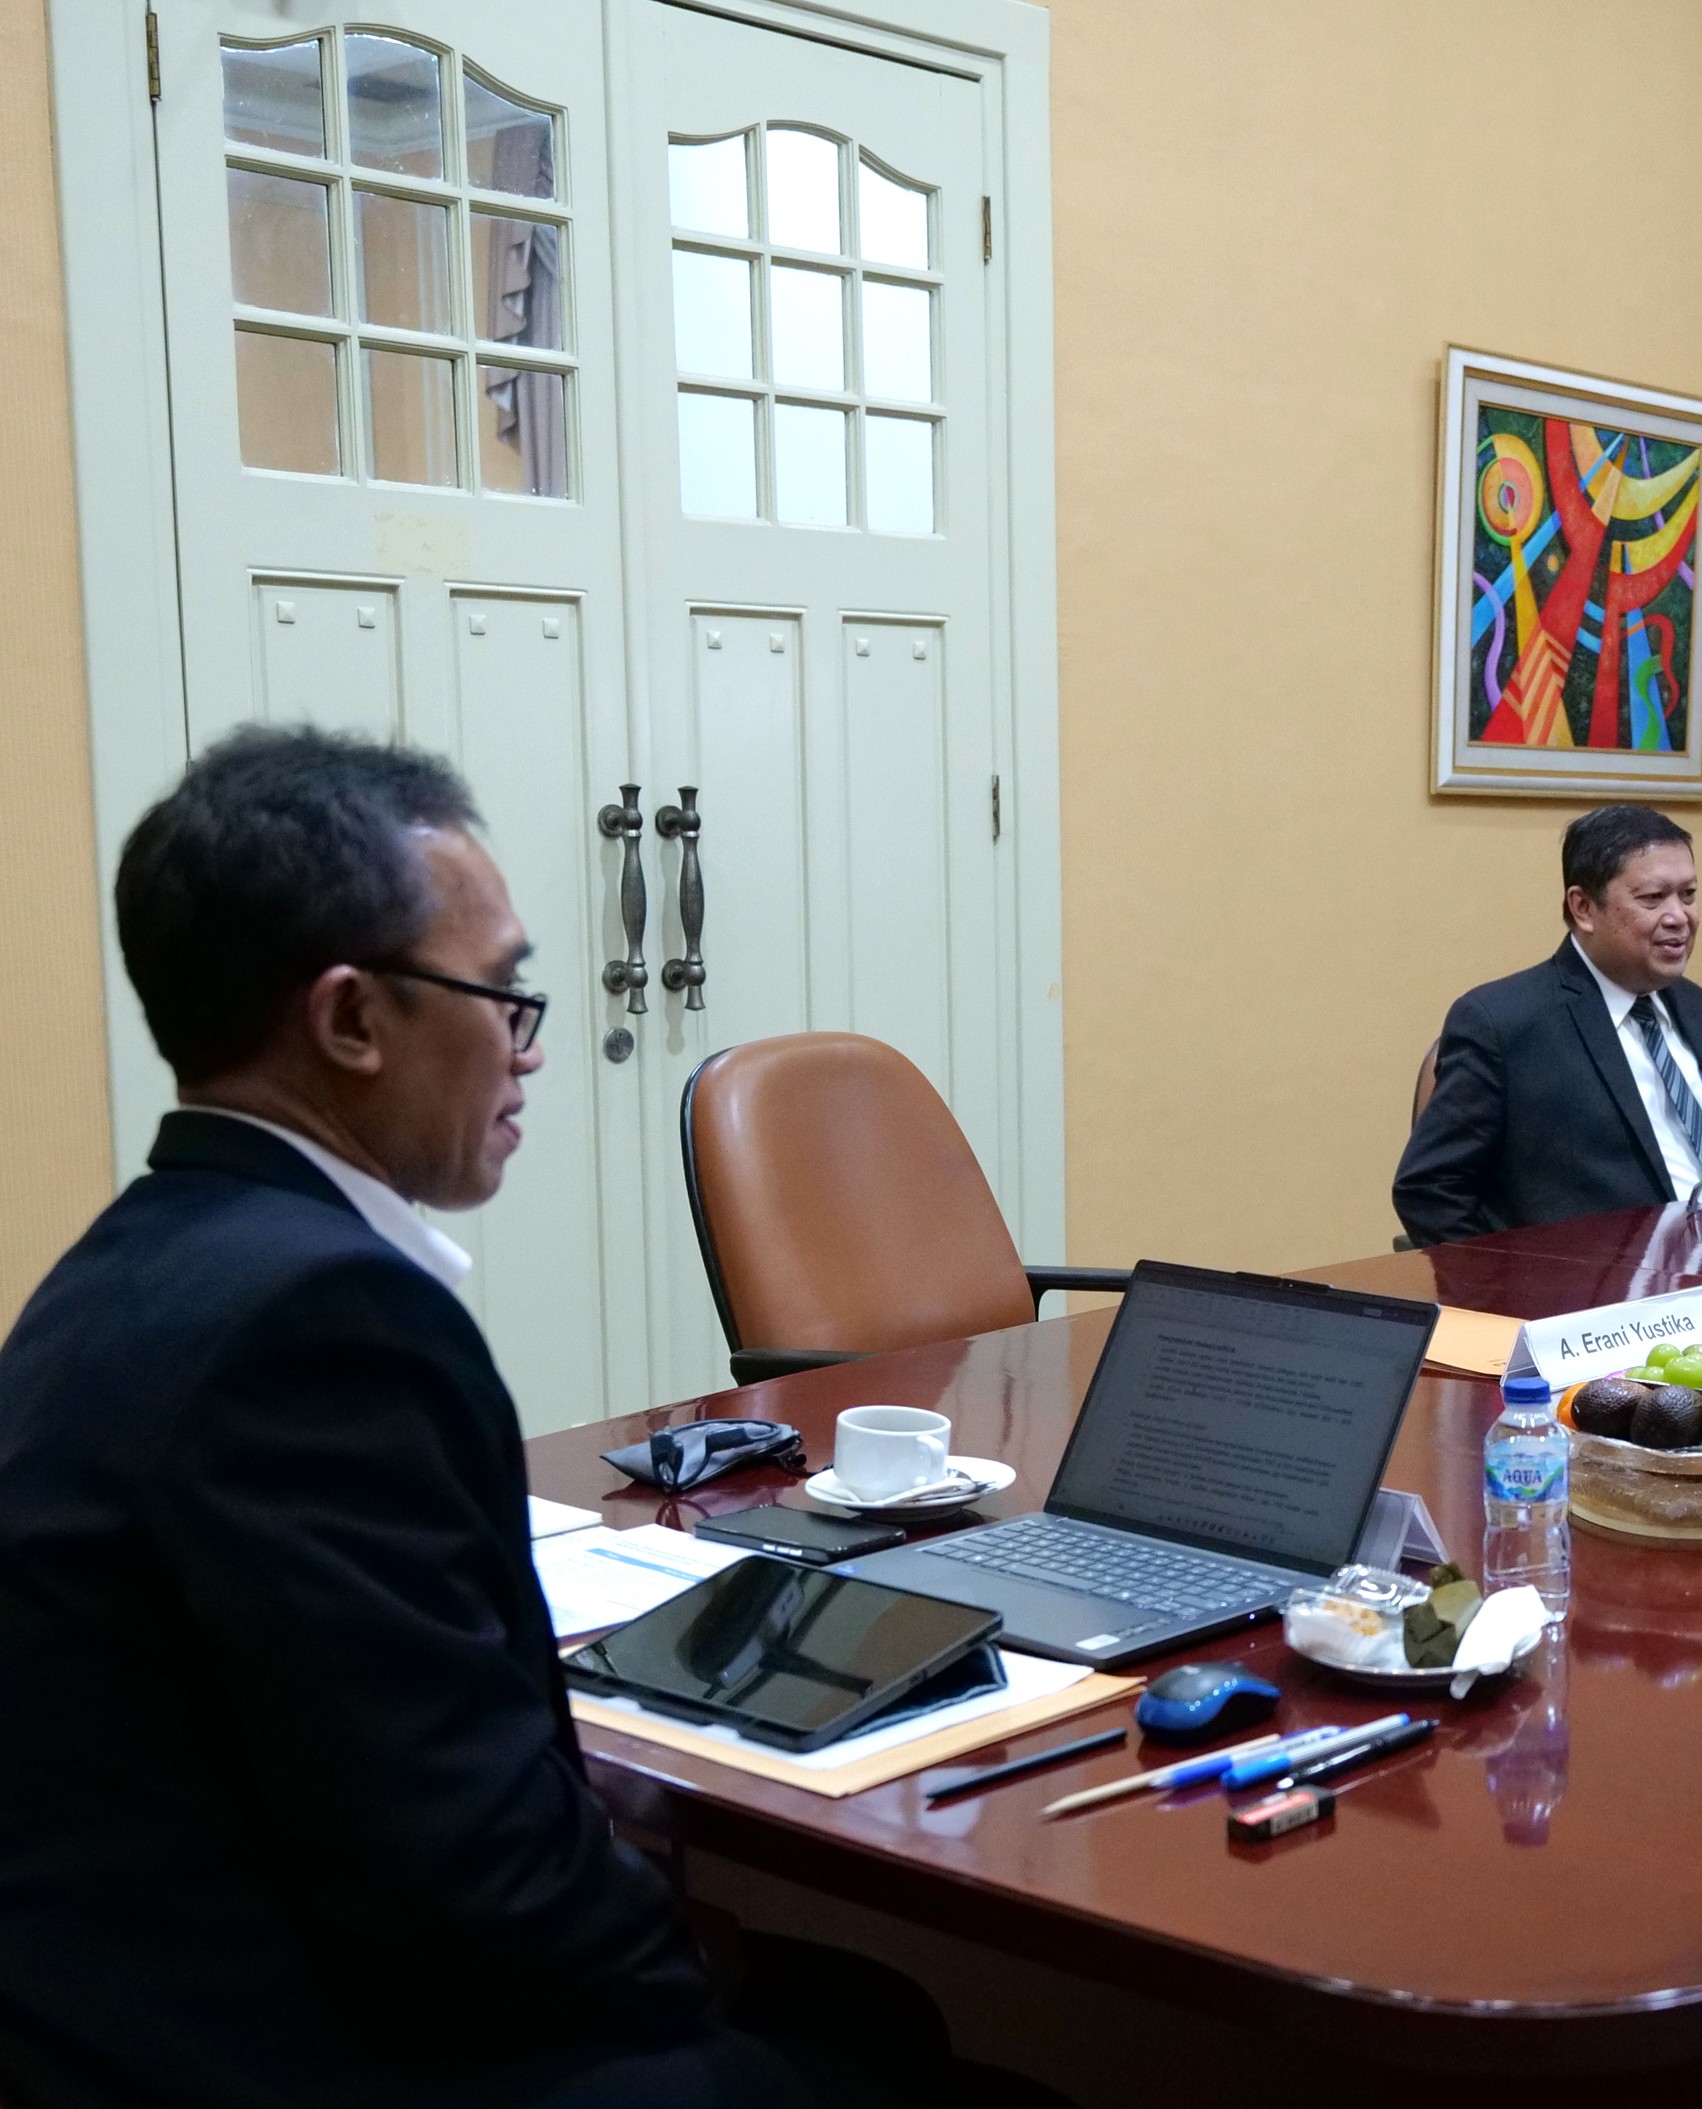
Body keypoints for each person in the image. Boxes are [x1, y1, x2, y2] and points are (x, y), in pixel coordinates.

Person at [0, 732, 1053, 2109]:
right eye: (501, 994)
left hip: (128, 2000)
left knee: (867, 2010)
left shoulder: (118, 1268)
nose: (530, 1046)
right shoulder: (319, 1320)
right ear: (351, 1020)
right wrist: (693, 1958)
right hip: (282, 2048)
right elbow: (460, 1862)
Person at [1393, 804, 1702, 1245]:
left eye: (1688, 895)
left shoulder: (1696, 1007)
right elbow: (1429, 1191)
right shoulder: (1505, 1024)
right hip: (1607, 1280)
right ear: (1584, 907)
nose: (1679, 917)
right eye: (1653, 898)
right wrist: (1508, 1281)